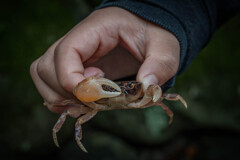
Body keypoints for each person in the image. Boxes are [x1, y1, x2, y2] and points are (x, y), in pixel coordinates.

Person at [30, 0, 240, 113]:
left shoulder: (141, 93)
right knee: (70, 106)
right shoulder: (95, 101)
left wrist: (163, 13)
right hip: (98, 100)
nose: (120, 91)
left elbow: (159, 93)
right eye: (109, 88)